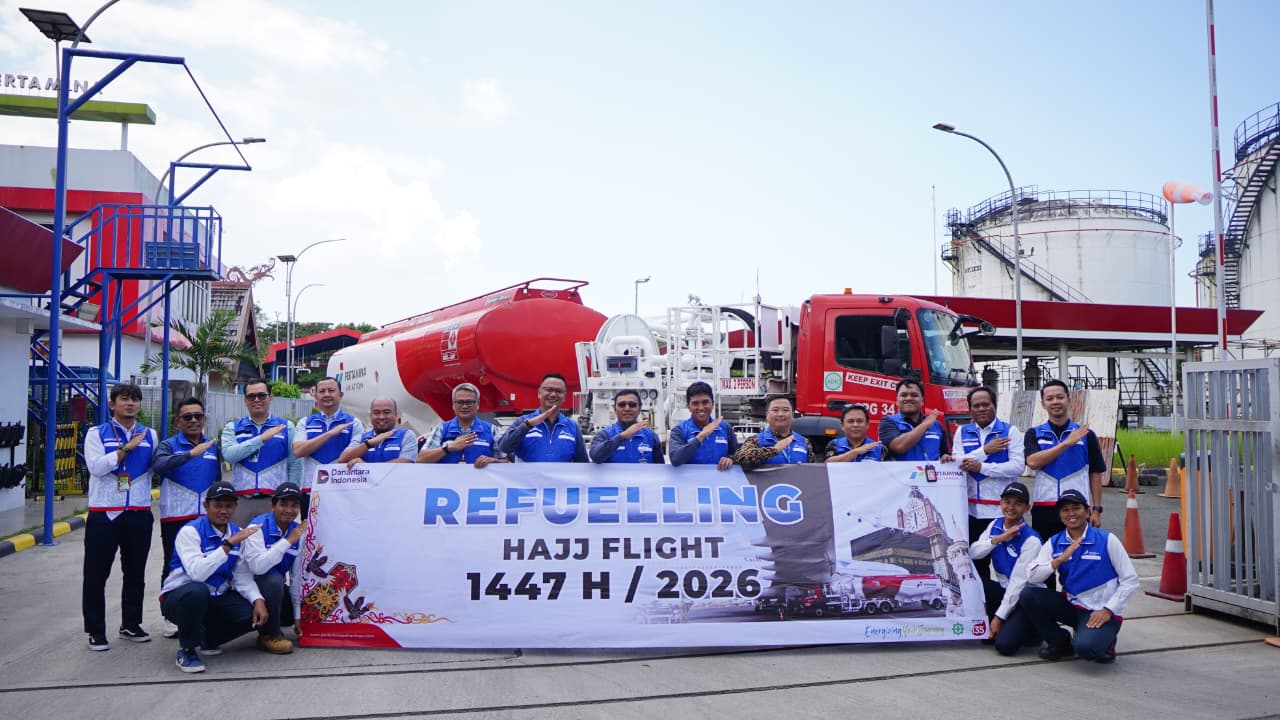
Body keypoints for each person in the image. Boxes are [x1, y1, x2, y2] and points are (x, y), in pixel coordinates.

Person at [1020, 489, 1139, 664]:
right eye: (1065, 510)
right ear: (1060, 515)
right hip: (1073, 606)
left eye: (1076, 508)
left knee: (1086, 649)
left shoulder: (1107, 539)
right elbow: (1032, 577)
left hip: (1101, 610)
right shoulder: (1054, 542)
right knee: (1029, 595)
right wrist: (1058, 560)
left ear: (1088, 511)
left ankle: (1107, 642)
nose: (1071, 514)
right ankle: (1060, 642)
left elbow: (1130, 580)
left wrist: (1108, 610)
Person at [159, 481, 267, 673]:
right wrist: (227, 546)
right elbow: (197, 573)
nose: (223, 511)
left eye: (228, 506)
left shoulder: (237, 532)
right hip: (181, 598)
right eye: (218, 505)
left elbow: (241, 575)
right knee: (196, 591)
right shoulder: (190, 531)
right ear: (206, 506)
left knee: (251, 613)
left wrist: (258, 600)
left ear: (235, 507)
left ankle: (208, 639)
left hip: (216, 597)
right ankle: (187, 650)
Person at [82, 383, 159, 651]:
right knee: (96, 575)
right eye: (124, 399)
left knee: (135, 573)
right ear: (112, 404)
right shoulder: (96, 433)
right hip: (104, 513)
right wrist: (125, 449)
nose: (130, 403)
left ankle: (131, 624)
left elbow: (154, 469)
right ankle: (95, 630)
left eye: (135, 399)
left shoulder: (150, 434)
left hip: (138, 512)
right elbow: (96, 467)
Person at [150, 396, 220, 638]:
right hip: (177, 516)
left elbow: (217, 480)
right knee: (173, 564)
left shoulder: (212, 446)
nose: (193, 420)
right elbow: (158, 466)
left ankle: (205, 615)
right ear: (177, 421)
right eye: (187, 417)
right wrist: (190, 454)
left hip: (206, 518)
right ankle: (170, 616)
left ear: (204, 419)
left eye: (198, 416)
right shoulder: (168, 445)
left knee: (208, 564)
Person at [954, 386, 1025, 579]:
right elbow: (957, 464)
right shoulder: (961, 432)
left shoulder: (1010, 431)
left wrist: (982, 467)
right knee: (976, 569)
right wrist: (985, 451)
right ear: (970, 409)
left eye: (986, 404)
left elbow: (1018, 466)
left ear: (995, 405)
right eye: (976, 406)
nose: (981, 409)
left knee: (1009, 566)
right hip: (971, 513)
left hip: (1002, 512)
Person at [1024, 380, 1106, 541]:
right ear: (1043, 404)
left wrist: (1096, 510)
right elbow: (1033, 462)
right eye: (1050, 399)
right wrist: (1066, 443)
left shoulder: (1086, 435)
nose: (1055, 402)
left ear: (1069, 399)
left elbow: (1095, 473)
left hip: (1077, 508)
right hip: (1044, 508)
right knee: (1045, 555)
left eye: (1060, 397)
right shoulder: (1034, 433)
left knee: (1077, 553)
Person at [968, 481, 1042, 656]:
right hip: (1004, 590)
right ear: (1000, 503)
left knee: (1005, 646)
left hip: (1024, 597)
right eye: (1007, 502)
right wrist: (998, 539)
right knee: (972, 582)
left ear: (1027, 508)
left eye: (1018, 503)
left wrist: (998, 618)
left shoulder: (1031, 540)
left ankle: (1035, 630)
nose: (1011, 507)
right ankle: (1004, 620)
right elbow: (973, 553)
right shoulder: (995, 524)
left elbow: (1017, 583)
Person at [221, 378, 300, 526]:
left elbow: (294, 463)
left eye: (262, 395)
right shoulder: (232, 427)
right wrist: (261, 439)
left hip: (275, 501)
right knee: (239, 540)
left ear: (270, 398)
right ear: (245, 400)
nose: (256, 400)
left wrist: (291, 496)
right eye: (251, 396)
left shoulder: (286, 427)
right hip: (241, 501)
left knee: (275, 540)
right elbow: (229, 456)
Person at [240, 482, 307, 655]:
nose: (289, 510)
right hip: (248, 589)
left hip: (274, 589)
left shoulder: (297, 532)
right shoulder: (256, 528)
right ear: (272, 506)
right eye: (283, 504)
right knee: (273, 580)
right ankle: (270, 634)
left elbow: (296, 577)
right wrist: (287, 542)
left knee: (292, 612)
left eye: (294, 505)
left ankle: (273, 621)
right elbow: (258, 568)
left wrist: (297, 616)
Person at [292, 376, 361, 510]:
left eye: (331, 390)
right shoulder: (305, 422)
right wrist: (329, 434)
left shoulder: (354, 423)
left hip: (342, 491)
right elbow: (298, 451)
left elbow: (354, 454)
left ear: (341, 395)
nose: (327, 394)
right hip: (311, 491)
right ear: (315, 395)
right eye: (322, 391)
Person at [495, 373, 588, 462]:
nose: (553, 394)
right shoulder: (523, 421)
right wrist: (528, 425)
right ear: (539, 393)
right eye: (549, 390)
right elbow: (504, 447)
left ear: (564, 397)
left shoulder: (572, 427)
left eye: (559, 391)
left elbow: (582, 463)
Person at [417, 383, 507, 467]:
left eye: (469, 402)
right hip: (448, 479)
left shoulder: (492, 430)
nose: (464, 406)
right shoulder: (441, 429)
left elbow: (506, 462)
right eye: (460, 402)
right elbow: (421, 459)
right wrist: (448, 448)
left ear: (477, 404)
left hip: (479, 479)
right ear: (453, 405)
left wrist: (494, 461)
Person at [668, 381, 738, 470]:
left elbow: (737, 454)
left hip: (720, 479)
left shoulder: (725, 428)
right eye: (695, 403)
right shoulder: (679, 431)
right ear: (689, 407)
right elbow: (675, 459)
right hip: (690, 479)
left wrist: (731, 459)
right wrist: (701, 436)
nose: (701, 408)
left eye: (705, 402)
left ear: (712, 404)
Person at [878, 379, 952, 461]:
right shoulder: (888, 422)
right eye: (904, 395)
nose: (909, 398)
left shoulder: (936, 425)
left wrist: (946, 457)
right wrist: (925, 425)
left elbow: (944, 453)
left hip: (931, 470)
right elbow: (898, 446)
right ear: (897, 400)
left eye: (914, 395)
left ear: (922, 400)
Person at [733, 396, 813, 467]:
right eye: (775, 410)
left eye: (785, 410)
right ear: (767, 415)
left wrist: (804, 469)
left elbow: (813, 469)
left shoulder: (803, 442)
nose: (780, 414)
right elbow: (740, 457)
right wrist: (774, 450)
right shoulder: (756, 440)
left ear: (792, 415)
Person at [589, 390, 665, 464]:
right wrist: (623, 436)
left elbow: (660, 469)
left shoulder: (651, 437)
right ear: (614, 409)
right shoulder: (604, 435)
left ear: (639, 408)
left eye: (632, 405)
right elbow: (595, 456)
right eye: (622, 405)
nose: (627, 408)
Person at [339, 397, 418, 465]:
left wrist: (366, 468)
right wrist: (369, 444)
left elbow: (406, 463)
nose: (381, 417)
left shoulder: (407, 435)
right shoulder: (360, 438)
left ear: (396, 414)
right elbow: (342, 459)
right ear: (371, 415)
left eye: (386, 412)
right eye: (376, 413)